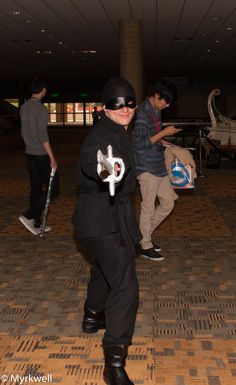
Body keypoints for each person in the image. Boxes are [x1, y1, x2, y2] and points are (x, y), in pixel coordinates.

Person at [72, 77, 141, 385]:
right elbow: (96, 161)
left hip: (98, 221)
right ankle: (114, 362)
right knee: (126, 283)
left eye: (128, 103)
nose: (123, 108)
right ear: (104, 108)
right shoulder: (104, 133)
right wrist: (106, 170)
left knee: (104, 268)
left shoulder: (120, 131)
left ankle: (91, 316)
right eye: (116, 104)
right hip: (101, 219)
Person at [133, 80, 182, 261]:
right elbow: (139, 145)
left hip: (158, 165)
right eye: (165, 101)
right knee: (148, 206)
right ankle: (145, 243)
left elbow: (152, 138)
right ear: (156, 95)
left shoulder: (156, 110)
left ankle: (143, 236)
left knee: (168, 202)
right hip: (145, 166)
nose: (167, 105)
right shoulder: (142, 114)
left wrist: (165, 141)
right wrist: (163, 133)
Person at [18, 76, 59, 235]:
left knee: (35, 188)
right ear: (43, 91)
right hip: (41, 154)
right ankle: (28, 214)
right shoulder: (41, 109)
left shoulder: (23, 107)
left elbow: (22, 132)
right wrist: (52, 158)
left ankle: (36, 222)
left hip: (29, 153)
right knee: (54, 189)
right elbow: (43, 136)